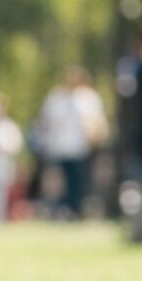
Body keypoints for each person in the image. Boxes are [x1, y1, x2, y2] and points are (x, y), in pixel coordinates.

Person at [37, 68, 109, 219]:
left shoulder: (88, 98)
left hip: (81, 148)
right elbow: (46, 120)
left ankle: (76, 209)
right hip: (59, 147)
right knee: (59, 182)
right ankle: (60, 209)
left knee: (79, 181)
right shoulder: (56, 97)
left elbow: (96, 122)